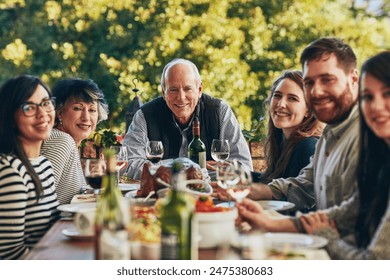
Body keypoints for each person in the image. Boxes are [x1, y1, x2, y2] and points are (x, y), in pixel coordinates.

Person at [238, 51, 390, 260]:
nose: (376, 106)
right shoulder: (377, 157)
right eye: (368, 97)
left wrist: (323, 236)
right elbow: (347, 211)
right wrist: (268, 222)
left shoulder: (310, 144)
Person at [245, 37, 360, 217]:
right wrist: (247, 187)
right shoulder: (331, 133)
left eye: (327, 79)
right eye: (310, 83)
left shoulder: (369, 131)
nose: (316, 92)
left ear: (353, 79)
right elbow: (303, 186)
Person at [123, 58, 252, 179]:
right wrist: (179, 167)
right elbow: (128, 165)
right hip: (160, 196)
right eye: (173, 90)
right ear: (163, 92)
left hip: (211, 196)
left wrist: (161, 168)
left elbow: (244, 166)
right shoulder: (145, 115)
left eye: (187, 89)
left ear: (199, 89)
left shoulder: (220, 111)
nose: (181, 97)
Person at [0, 75, 59, 260]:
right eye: (29, 108)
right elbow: (9, 255)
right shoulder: (11, 172)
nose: (42, 114)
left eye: (46, 103)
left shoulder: (43, 164)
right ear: (10, 117)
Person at [40, 78, 109, 205]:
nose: (86, 117)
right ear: (59, 112)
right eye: (78, 108)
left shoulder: (67, 141)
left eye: (92, 110)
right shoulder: (62, 141)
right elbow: (41, 197)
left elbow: (64, 193)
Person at [251, 70, 323, 184]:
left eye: (292, 98)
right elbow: (272, 181)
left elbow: (288, 196)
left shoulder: (307, 147)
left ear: (308, 110)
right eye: (277, 96)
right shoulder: (283, 140)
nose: (280, 104)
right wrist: (236, 173)